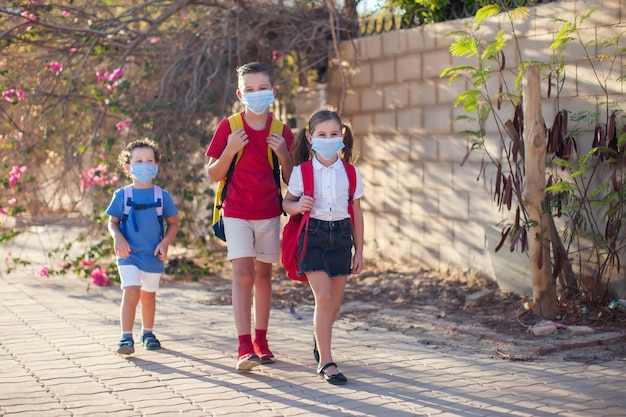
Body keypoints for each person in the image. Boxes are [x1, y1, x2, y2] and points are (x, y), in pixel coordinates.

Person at [205, 62, 295, 371]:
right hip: (237, 212)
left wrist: (284, 154)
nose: (257, 94)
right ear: (240, 94)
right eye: (250, 89)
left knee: (263, 276)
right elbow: (213, 173)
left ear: (272, 91)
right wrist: (229, 150)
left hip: (269, 213)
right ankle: (244, 346)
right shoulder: (229, 127)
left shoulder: (282, 131)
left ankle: (262, 341)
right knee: (242, 275)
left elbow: (290, 180)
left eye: (263, 88)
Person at [282, 106, 364, 385]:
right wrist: (296, 205)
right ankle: (327, 361)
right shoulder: (302, 172)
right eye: (321, 134)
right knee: (325, 298)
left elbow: (357, 213)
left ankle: (320, 341)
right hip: (313, 238)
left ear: (341, 135)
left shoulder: (351, 173)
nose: (328, 138)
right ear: (310, 137)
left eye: (333, 133)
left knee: (335, 304)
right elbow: (286, 203)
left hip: (342, 238)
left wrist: (360, 251)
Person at [106, 138, 179, 355]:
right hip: (128, 254)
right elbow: (113, 222)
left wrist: (165, 243)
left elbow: (173, 224)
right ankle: (125, 337)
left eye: (149, 160)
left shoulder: (162, 196)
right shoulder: (122, 195)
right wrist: (117, 238)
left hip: (153, 256)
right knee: (131, 292)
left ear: (156, 165)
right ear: (128, 167)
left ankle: (148, 333)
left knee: (148, 296)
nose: (145, 164)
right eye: (139, 161)